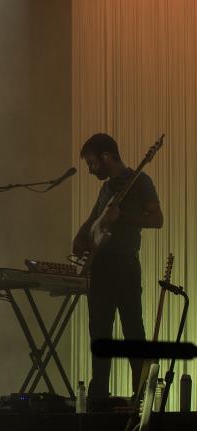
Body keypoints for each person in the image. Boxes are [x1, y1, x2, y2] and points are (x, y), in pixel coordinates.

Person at [72, 133, 163, 401]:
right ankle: (98, 397)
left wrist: (122, 217)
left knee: (133, 331)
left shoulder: (140, 181)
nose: (90, 169)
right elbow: (94, 219)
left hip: (125, 267)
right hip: (100, 268)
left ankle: (140, 399)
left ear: (106, 157)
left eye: (91, 163)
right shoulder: (108, 188)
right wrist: (81, 237)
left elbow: (157, 219)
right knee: (99, 333)